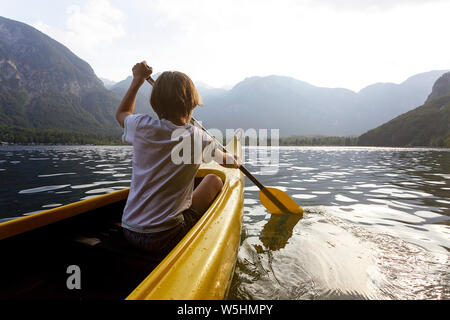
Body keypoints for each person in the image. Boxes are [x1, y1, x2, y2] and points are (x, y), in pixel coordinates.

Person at [116, 61, 240, 259]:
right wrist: (236, 159)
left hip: (129, 230)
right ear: (192, 104)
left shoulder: (141, 126)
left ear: (156, 103)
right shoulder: (199, 137)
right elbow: (227, 162)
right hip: (166, 237)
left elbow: (122, 114)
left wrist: (137, 80)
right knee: (213, 180)